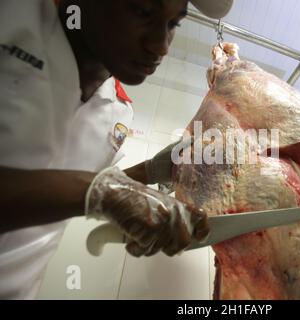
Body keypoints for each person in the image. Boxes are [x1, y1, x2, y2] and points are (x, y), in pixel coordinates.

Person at [0, 0, 233, 299]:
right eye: (142, 11)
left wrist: (149, 172)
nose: (161, 45)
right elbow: (90, 191)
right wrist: (102, 193)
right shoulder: (13, 18)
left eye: (173, 23)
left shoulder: (118, 113)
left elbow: (71, 186)